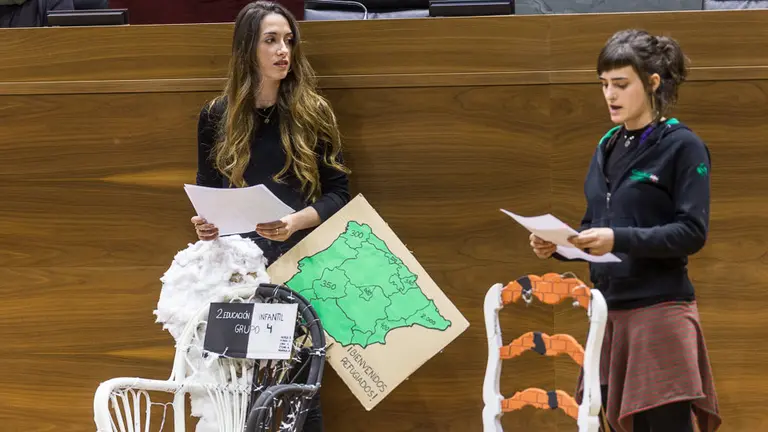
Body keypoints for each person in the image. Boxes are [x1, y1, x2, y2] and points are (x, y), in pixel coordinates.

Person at [529, 29, 720, 432]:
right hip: (609, 313)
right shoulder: (607, 146)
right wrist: (560, 245)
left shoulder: (683, 146)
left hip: (660, 313)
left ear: (652, 83)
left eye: (620, 84)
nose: (610, 95)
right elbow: (593, 226)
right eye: (604, 84)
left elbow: (691, 232)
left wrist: (618, 239)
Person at [191, 1, 351, 430]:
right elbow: (208, 193)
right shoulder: (216, 115)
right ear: (248, 48)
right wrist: (205, 224)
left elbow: (339, 195)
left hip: (295, 270)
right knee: (238, 393)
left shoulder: (313, 111)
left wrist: (294, 222)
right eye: (271, 40)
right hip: (240, 276)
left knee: (297, 395)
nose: (284, 50)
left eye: (289, 40)